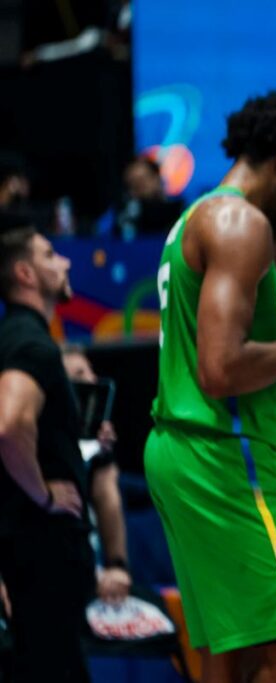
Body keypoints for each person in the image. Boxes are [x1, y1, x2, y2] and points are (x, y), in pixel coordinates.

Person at [144, 90, 276, 682]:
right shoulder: (241, 223)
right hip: (225, 462)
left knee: (230, 654)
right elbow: (220, 369)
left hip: (186, 450)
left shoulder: (195, 217)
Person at [0, 222, 93, 681]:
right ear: (25, 274)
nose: (67, 261)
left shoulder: (19, 335)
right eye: (51, 254)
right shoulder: (29, 341)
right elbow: (9, 425)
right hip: (39, 555)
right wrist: (46, 496)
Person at [62, 344, 133, 603]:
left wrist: (117, 566)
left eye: (91, 373)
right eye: (80, 375)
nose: (92, 381)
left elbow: (107, 496)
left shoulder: (96, 447)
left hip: (88, 572)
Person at [116, 155, 185, 239]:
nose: (137, 187)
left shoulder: (181, 211)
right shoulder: (122, 216)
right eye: (132, 183)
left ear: (157, 178)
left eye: (141, 180)